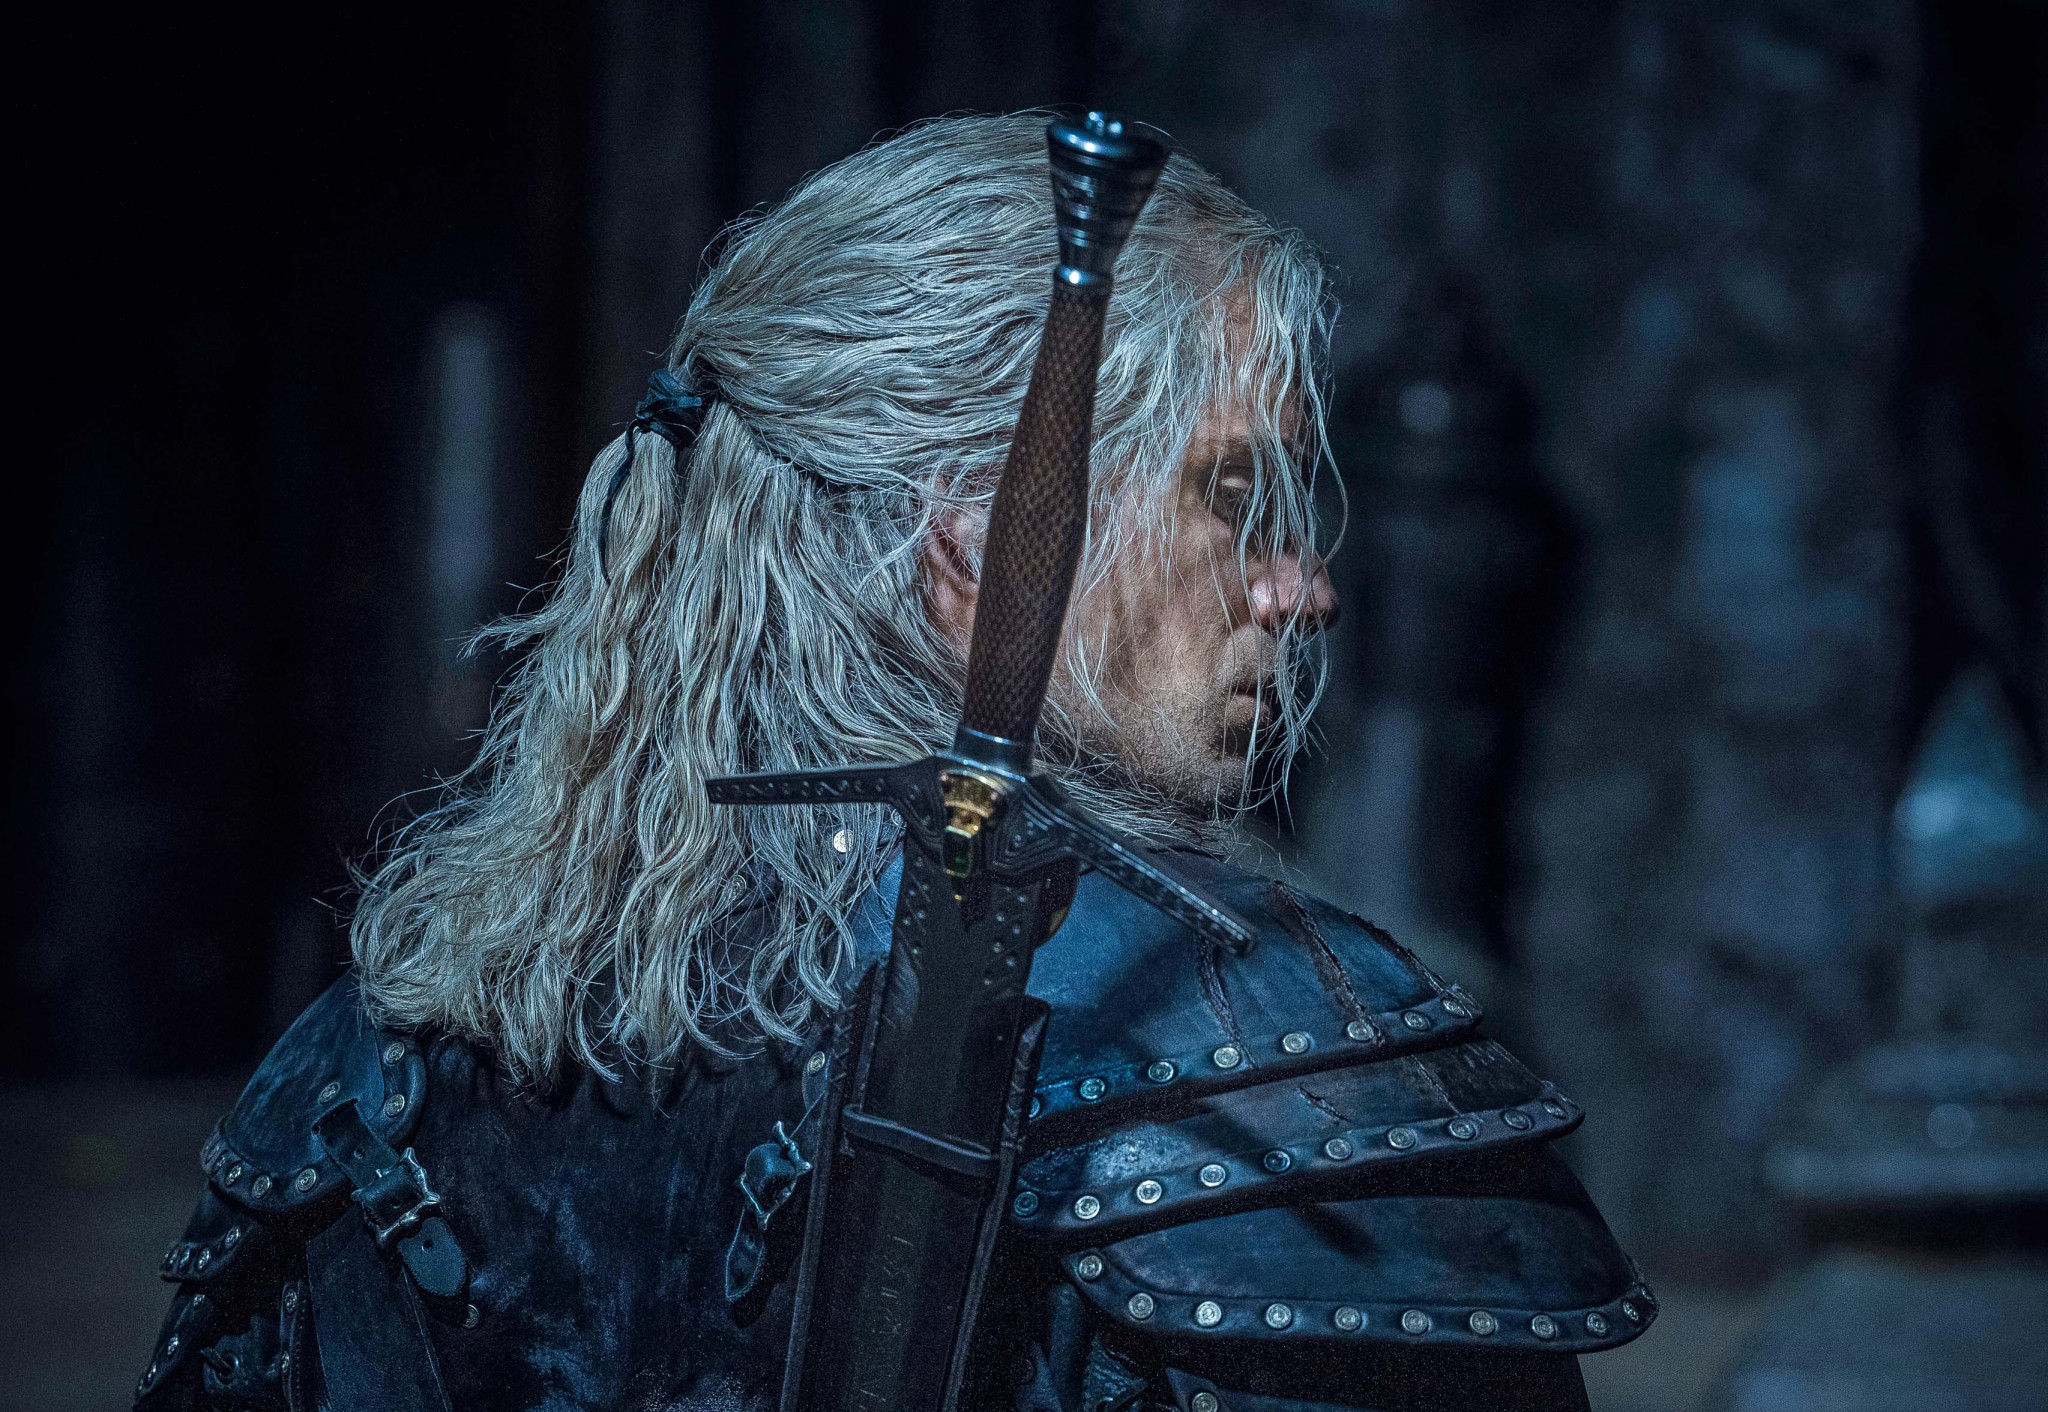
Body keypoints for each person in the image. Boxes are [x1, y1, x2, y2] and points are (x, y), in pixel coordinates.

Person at [137, 112, 1652, 1412]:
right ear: (982, 540)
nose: (1299, 587)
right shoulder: (1276, 1045)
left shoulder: (357, 1064)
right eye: (1229, 494)